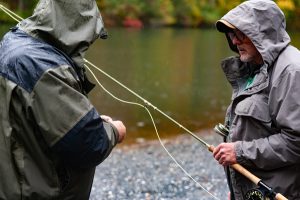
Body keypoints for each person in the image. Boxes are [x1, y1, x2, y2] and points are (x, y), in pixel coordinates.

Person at [0, 0, 126, 199]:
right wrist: (113, 130)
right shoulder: (43, 67)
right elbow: (88, 143)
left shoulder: (11, 42)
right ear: (78, 25)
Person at [212, 0, 300, 199]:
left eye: (241, 33)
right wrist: (238, 190)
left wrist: (239, 152)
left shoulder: (291, 71)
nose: (234, 41)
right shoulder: (257, 67)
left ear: (262, 34)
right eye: (232, 34)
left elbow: (296, 142)